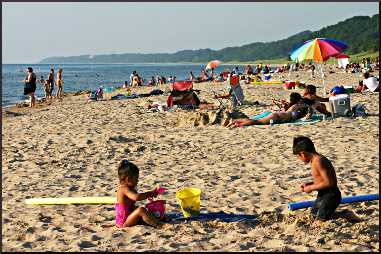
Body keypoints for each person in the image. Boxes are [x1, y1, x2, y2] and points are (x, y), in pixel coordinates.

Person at [293, 136, 341, 223]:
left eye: (298, 156)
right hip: (323, 194)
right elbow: (321, 180)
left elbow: (329, 182)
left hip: (331, 195)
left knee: (320, 220)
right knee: (313, 215)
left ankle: (344, 215)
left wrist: (311, 188)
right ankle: (345, 214)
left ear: (302, 153)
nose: (299, 159)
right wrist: (310, 184)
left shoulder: (318, 161)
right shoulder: (315, 160)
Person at [115, 159, 165, 228]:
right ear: (128, 179)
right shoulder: (123, 189)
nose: (137, 181)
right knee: (141, 210)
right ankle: (159, 225)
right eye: (136, 179)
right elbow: (137, 197)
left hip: (129, 217)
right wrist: (150, 193)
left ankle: (154, 220)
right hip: (123, 222)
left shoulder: (130, 188)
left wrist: (151, 195)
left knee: (145, 210)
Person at [229, 93, 311, 127]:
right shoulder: (296, 106)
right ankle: (236, 122)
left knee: (256, 121)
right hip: (277, 116)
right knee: (257, 122)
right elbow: (307, 106)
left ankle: (236, 122)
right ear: (298, 100)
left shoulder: (292, 106)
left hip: (278, 116)